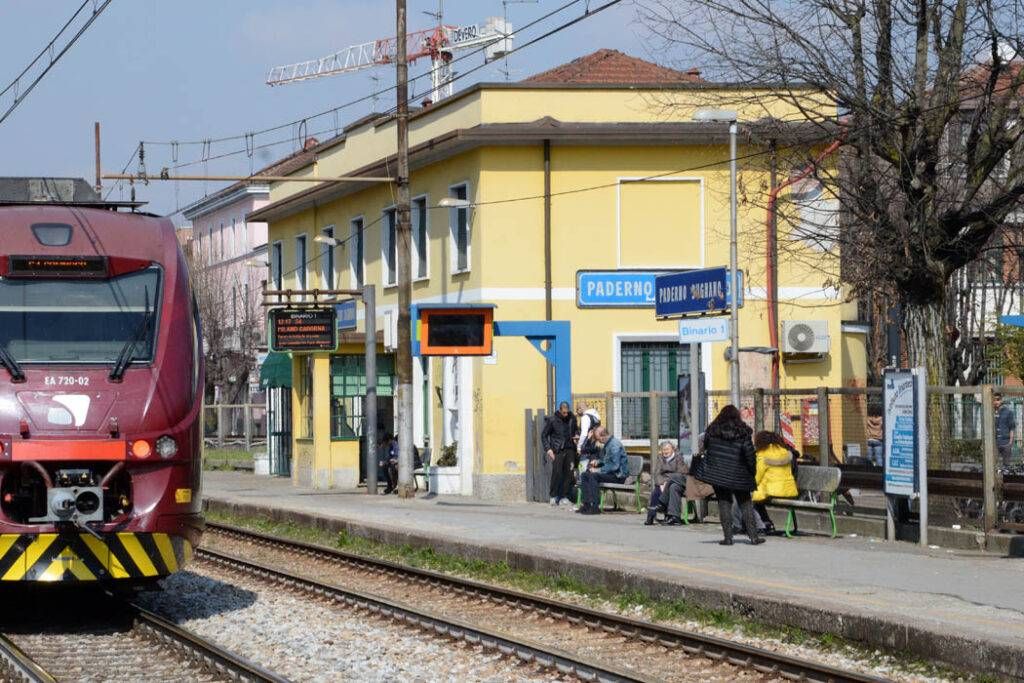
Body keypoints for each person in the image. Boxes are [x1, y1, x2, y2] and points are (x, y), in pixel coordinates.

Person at [690, 405, 763, 545]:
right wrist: (751, 471)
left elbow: (705, 448)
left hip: (718, 474)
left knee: (724, 503)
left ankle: (728, 538)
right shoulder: (743, 432)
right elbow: (750, 455)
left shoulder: (712, 431)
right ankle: (754, 537)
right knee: (745, 503)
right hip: (739, 474)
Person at [751, 431, 798, 535]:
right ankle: (767, 523)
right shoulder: (784, 452)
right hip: (788, 490)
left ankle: (762, 526)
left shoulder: (762, 455)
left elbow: (757, 478)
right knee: (758, 498)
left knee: (748, 498)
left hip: (772, 491)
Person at [577, 427, 628, 515]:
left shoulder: (614, 445)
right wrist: (598, 462)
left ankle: (595, 506)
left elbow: (615, 466)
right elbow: (606, 461)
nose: (598, 441)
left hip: (618, 476)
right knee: (585, 474)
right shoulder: (608, 444)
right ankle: (587, 504)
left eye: (598, 439)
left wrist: (598, 470)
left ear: (603, 436)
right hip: (610, 473)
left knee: (594, 476)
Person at [542, 401, 578, 506]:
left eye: (567, 412)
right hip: (557, 450)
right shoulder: (553, 420)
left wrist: (576, 435)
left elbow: (576, 430)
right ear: (560, 410)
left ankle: (565, 497)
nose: (565, 414)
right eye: (564, 412)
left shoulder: (572, 418)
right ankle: (553, 496)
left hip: (570, 449)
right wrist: (548, 449)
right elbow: (544, 435)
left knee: (569, 474)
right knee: (557, 473)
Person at [645, 440, 687, 525]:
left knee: (672, 486)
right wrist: (661, 483)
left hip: (676, 481)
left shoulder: (679, 457)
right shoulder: (660, 458)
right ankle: (651, 517)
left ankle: (664, 509)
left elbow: (680, 473)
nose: (665, 451)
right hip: (663, 482)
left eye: (667, 449)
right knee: (656, 492)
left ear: (673, 449)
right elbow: (656, 473)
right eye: (663, 449)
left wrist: (667, 482)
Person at [576, 402, 602, 471]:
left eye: (577, 410)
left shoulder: (585, 417)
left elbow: (584, 434)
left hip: (587, 447)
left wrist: (579, 446)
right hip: (596, 445)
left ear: (580, 409)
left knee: (583, 469)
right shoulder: (596, 416)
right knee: (593, 467)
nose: (577, 413)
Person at [995, 392, 1016, 469]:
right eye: (994, 400)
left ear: (1001, 400)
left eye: (998, 399)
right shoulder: (990, 412)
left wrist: (1010, 443)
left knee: (1006, 467)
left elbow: (1012, 428)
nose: (996, 401)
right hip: (994, 444)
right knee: (994, 466)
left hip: (1005, 443)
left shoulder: (1008, 412)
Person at [866, 403, 884, 467]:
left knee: (869, 458)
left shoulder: (868, 418)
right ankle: (879, 471)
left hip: (869, 439)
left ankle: (868, 471)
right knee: (879, 458)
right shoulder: (882, 419)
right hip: (878, 440)